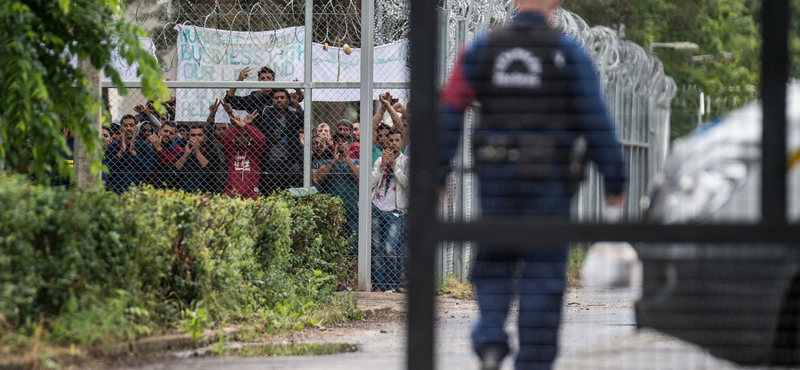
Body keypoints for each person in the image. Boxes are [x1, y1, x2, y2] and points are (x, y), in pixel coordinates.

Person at [438, 0, 628, 369]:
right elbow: (596, 118)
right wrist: (615, 177)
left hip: (496, 174)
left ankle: (491, 335)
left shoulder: (483, 48)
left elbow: (451, 106)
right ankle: (533, 363)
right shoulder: (567, 53)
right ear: (555, 3)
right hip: (549, 180)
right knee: (542, 272)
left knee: (495, 258)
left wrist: (436, 168)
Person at [242, 89, 304, 195]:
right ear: (272, 101)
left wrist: (297, 105)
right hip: (268, 162)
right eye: (276, 98)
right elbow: (252, 126)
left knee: (289, 194)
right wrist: (247, 123)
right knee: (267, 194)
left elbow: (304, 122)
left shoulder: (293, 115)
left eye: (282, 98)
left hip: (288, 162)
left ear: (287, 101)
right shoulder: (264, 114)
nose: (279, 100)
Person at [370, 127, 409, 292]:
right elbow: (370, 183)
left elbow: (408, 183)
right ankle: (379, 285)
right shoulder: (379, 160)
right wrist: (382, 166)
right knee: (377, 248)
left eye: (396, 141)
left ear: (401, 142)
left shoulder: (406, 161)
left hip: (395, 210)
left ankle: (393, 284)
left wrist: (394, 165)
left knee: (390, 248)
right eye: (390, 140)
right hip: (377, 207)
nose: (393, 144)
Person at [317, 133, 360, 256]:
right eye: (338, 142)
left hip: (351, 211)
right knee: (331, 247)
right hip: (331, 212)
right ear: (334, 145)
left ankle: (353, 274)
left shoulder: (356, 161)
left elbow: (358, 176)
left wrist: (346, 158)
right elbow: (319, 177)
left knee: (352, 248)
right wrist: (333, 160)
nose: (341, 144)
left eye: (344, 141)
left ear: (350, 145)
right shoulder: (326, 162)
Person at [104, 114, 154, 194]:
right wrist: (119, 153)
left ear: (135, 128)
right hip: (117, 191)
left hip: (139, 191)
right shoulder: (113, 146)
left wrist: (134, 154)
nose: (128, 128)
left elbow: (148, 170)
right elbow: (105, 169)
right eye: (125, 125)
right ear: (120, 128)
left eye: (131, 125)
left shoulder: (145, 146)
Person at [221, 110, 265, 199]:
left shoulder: (254, 152)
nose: (242, 139)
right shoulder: (231, 152)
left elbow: (261, 139)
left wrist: (245, 125)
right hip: (232, 193)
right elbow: (225, 138)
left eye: (245, 135)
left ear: (250, 138)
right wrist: (238, 125)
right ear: (235, 137)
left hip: (251, 193)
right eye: (239, 136)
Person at [225, 66, 304, 114]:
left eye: (268, 78)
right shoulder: (254, 96)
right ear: (259, 82)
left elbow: (298, 98)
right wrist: (238, 81)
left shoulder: (279, 94)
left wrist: (298, 89)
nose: (266, 80)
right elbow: (230, 100)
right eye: (263, 78)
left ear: (273, 80)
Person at [174, 124, 224, 194]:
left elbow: (210, 172)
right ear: (188, 138)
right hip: (184, 193)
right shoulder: (182, 153)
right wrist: (186, 154)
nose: (196, 138)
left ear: (205, 138)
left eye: (199, 135)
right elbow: (175, 170)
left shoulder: (211, 153)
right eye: (193, 135)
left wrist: (197, 152)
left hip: (205, 194)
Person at [147, 121, 183, 189]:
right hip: (148, 183)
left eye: (171, 133)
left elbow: (171, 164)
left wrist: (158, 149)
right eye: (165, 131)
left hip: (168, 185)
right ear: (159, 132)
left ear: (174, 137)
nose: (167, 134)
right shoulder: (149, 144)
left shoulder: (178, 149)